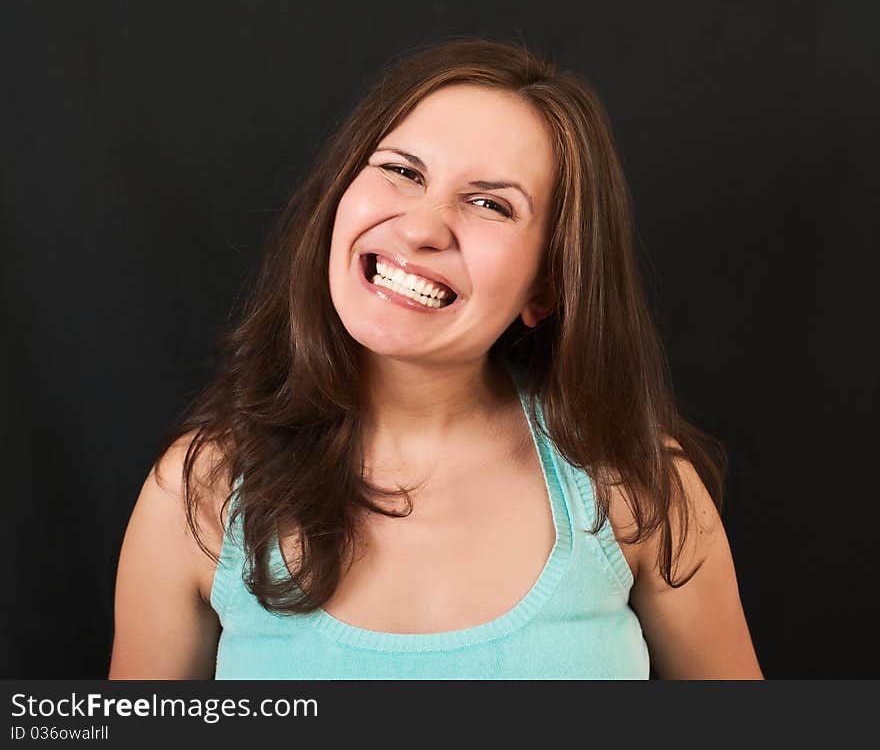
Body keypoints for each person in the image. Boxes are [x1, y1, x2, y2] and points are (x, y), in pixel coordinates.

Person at [108, 37, 764, 680]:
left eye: (490, 204)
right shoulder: (199, 493)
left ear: (547, 286)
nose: (422, 227)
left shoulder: (638, 482)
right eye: (402, 170)